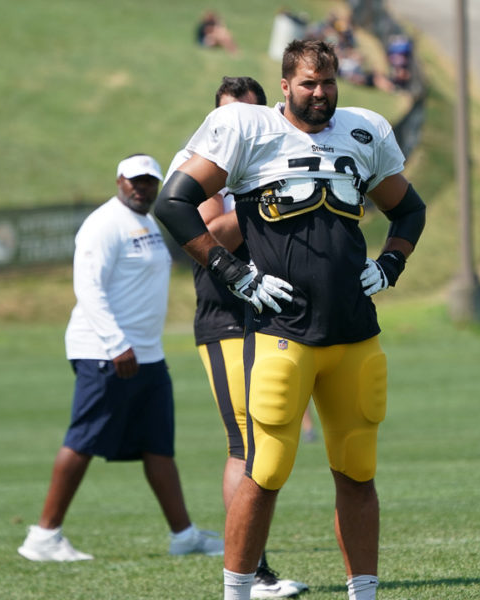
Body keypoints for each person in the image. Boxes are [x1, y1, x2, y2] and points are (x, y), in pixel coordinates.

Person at [154, 39, 426, 600]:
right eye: (308, 83)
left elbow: (409, 208)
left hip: (354, 330)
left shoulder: (364, 129)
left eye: (327, 83)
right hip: (283, 333)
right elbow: (173, 203)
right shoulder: (248, 128)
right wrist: (235, 273)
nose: (320, 94)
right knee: (265, 469)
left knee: (357, 469)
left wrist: (392, 261)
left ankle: (364, 592)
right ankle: (237, 592)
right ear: (284, 85)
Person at [17, 154, 223, 563]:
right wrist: (115, 344)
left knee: (158, 447)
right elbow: (88, 288)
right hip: (105, 352)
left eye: (149, 182)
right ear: (119, 181)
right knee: (83, 440)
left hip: (146, 354)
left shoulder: (148, 222)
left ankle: (183, 535)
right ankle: (43, 536)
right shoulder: (103, 224)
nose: (141, 188)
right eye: (135, 181)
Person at [168, 75, 308, 599]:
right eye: (230, 116)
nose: (240, 127)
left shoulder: (275, 147)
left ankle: (256, 571)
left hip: (273, 315)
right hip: (225, 315)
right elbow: (206, 232)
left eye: (249, 115)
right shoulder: (203, 159)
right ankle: (256, 575)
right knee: (245, 443)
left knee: (269, 440)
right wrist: (261, 201)